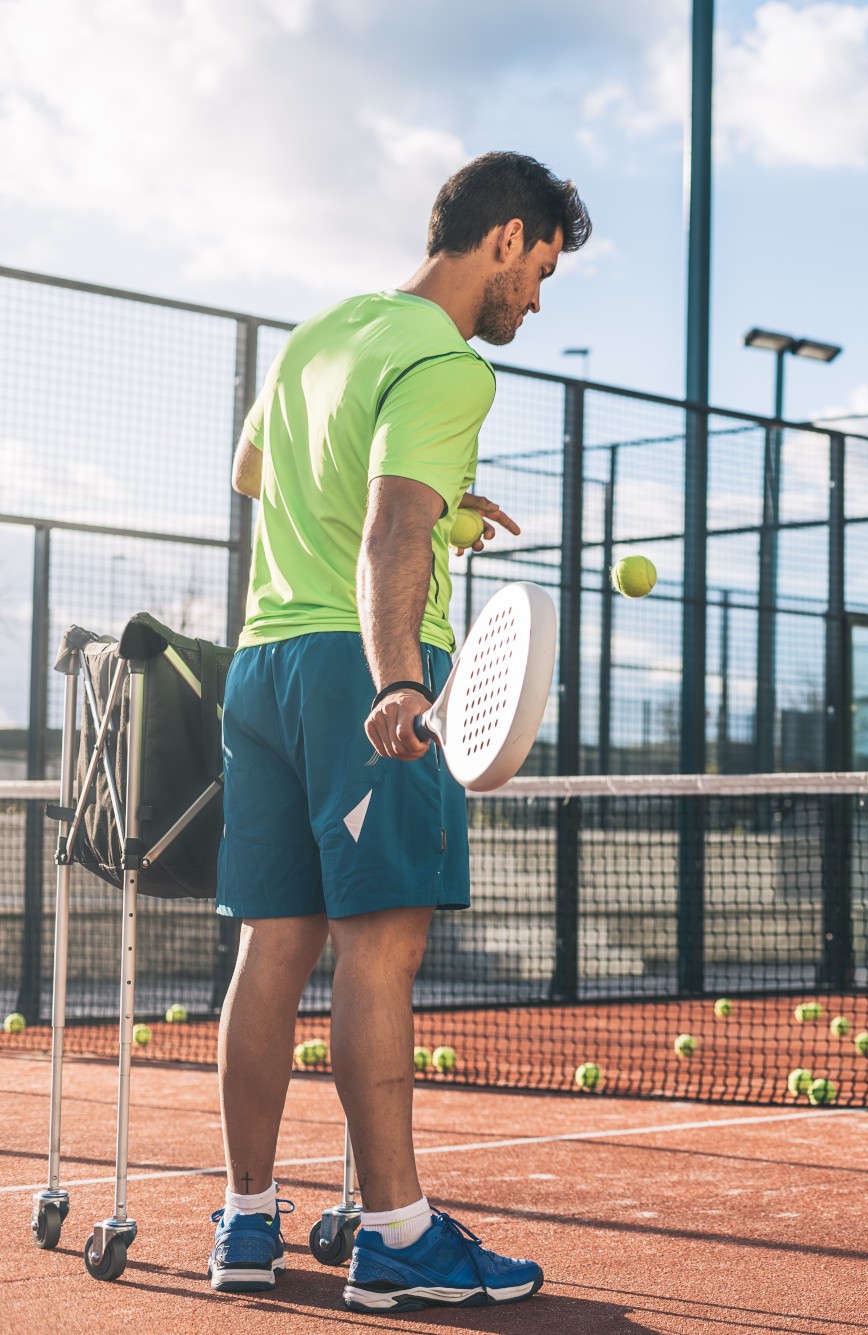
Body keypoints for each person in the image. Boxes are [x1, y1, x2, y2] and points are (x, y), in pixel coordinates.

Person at [209, 152, 589, 1310]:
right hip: (364, 673)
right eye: (542, 272)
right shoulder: (448, 365)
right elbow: (386, 533)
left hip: (263, 662)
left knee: (271, 948)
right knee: (381, 948)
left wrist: (441, 507)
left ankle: (245, 1221)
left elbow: (251, 476)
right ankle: (398, 1237)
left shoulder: (321, 334)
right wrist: (395, 679)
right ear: (506, 238)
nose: (536, 299)